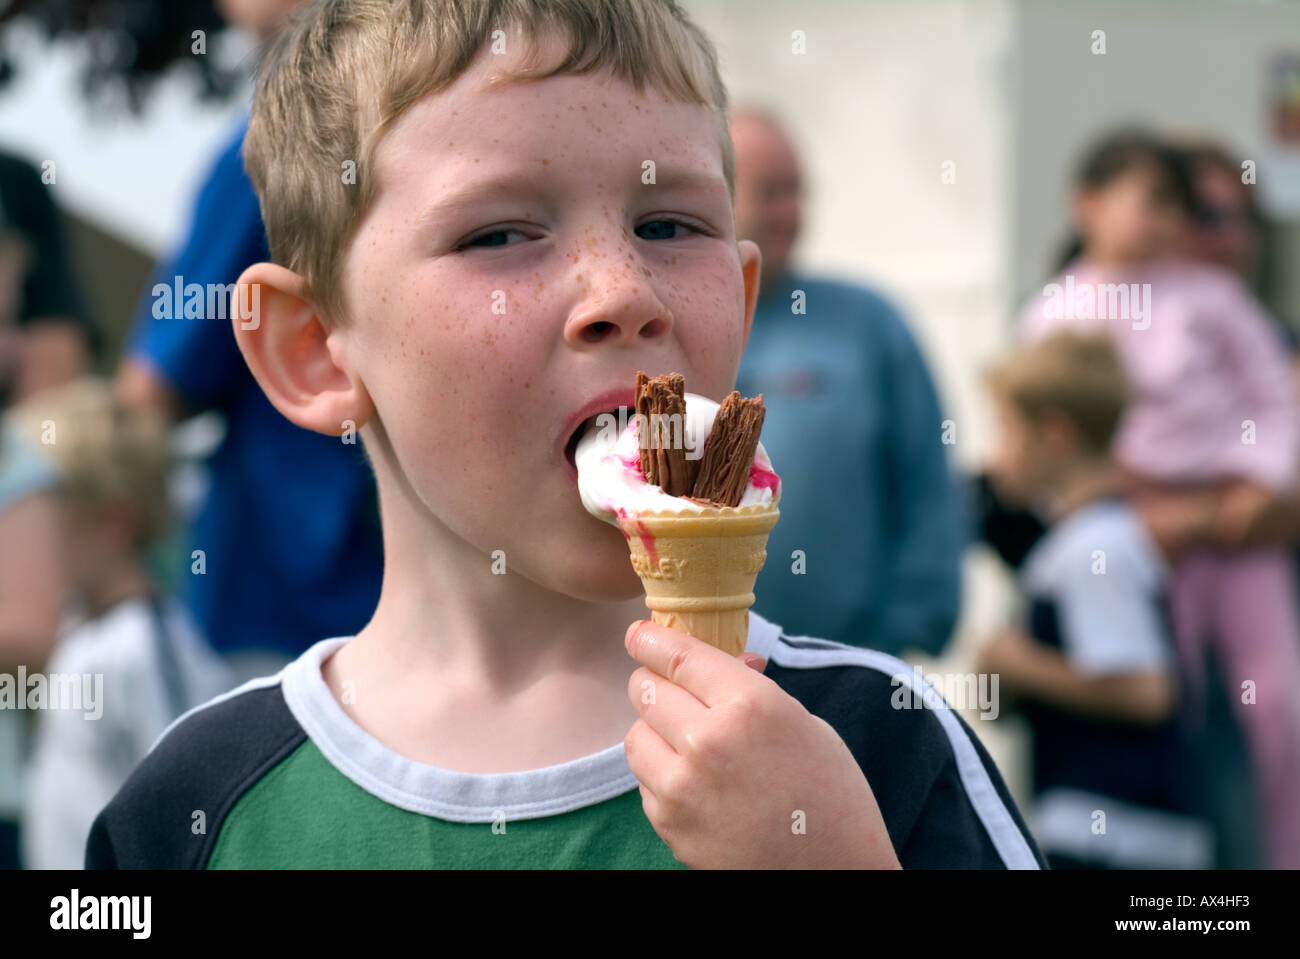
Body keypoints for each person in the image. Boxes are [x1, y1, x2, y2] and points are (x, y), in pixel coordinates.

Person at [85, 0, 1044, 870]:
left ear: (744, 308)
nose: (624, 293)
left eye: (669, 224)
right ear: (317, 354)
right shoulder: (192, 809)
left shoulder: (876, 746)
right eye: (500, 235)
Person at [1018, 128, 1300, 869]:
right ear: (1087, 205)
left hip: (1238, 520)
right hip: (1133, 529)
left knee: (1274, 701)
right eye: (1157, 202)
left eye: (1181, 207)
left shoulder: (1211, 296)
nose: (1170, 223)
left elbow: (1271, 394)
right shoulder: (1058, 310)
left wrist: (1256, 476)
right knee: (1173, 700)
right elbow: (1042, 419)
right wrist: (1110, 496)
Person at [114, 0, 381, 683]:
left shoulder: (260, 158)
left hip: (275, 610)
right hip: (352, 608)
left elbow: (150, 391)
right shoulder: (420, 132)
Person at [729, 107, 964, 657]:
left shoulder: (868, 323)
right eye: (770, 193)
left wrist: (902, 635)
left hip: (851, 672)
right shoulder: (666, 325)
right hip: (690, 667)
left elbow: (928, 483)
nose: (792, 213)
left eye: (798, 192)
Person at [976, 331, 1211, 869]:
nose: (995, 454)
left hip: (1116, 837)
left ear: (1055, 435)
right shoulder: (1079, 540)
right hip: (1102, 828)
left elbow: (1145, 692)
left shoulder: (1095, 547)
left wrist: (1020, 663)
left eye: (1007, 430)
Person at [8, 379, 236, 869]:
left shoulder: (144, 645)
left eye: (46, 519)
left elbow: (188, 796)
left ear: (112, 521)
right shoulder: (75, 633)